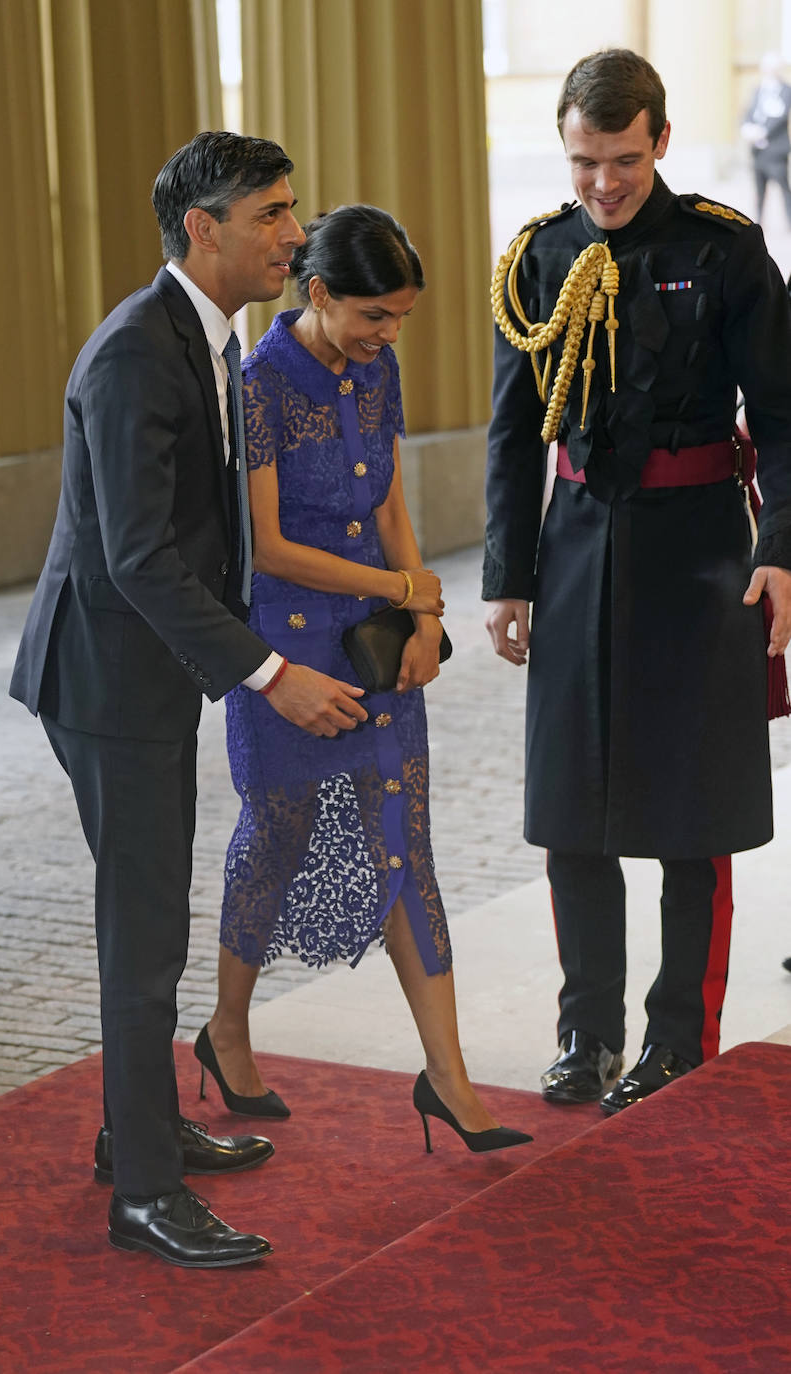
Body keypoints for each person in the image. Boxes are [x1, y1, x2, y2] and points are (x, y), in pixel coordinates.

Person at [10, 132, 372, 1268]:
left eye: (293, 209)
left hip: (151, 670)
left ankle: (141, 1130)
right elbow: (138, 560)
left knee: (152, 916)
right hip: (108, 678)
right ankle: (146, 1195)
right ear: (201, 229)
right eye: (270, 213)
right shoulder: (134, 355)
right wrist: (268, 672)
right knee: (145, 929)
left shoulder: (207, 337)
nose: (295, 234)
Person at [484, 49, 791, 1115]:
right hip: (573, 551)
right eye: (582, 163)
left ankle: (677, 1042)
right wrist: (504, 576)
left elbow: (785, 422)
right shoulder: (537, 257)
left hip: (701, 554)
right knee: (574, 809)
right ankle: (586, 1033)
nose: (601, 184)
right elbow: (513, 434)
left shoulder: (726, 251)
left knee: (687, 815)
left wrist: (779, 550)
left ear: (659, 140)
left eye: (620, 159)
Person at [194, 204, 533, 1156]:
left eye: (399, 320)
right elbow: (265, 546)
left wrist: (421, 614)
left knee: (404, 848)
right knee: (276, 836)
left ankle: (449, 1079)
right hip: (286, 648)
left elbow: (387, 492)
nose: (387, 337)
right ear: (318, 294)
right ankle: (224, 1031)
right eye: (372, 317)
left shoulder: (375, 367)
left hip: (377, 642)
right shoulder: (257, 384)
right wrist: (404, 587)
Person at [741, 54, 791, 227]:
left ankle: (789, 221)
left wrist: (763, 131)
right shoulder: (758, 89)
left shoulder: (786, 90)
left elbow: (782, 116)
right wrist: (747, 128)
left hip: (776, 150)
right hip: (758, 150)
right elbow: (749, 111)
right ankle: (759, 222)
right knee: (760, 190)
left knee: (784, 188)